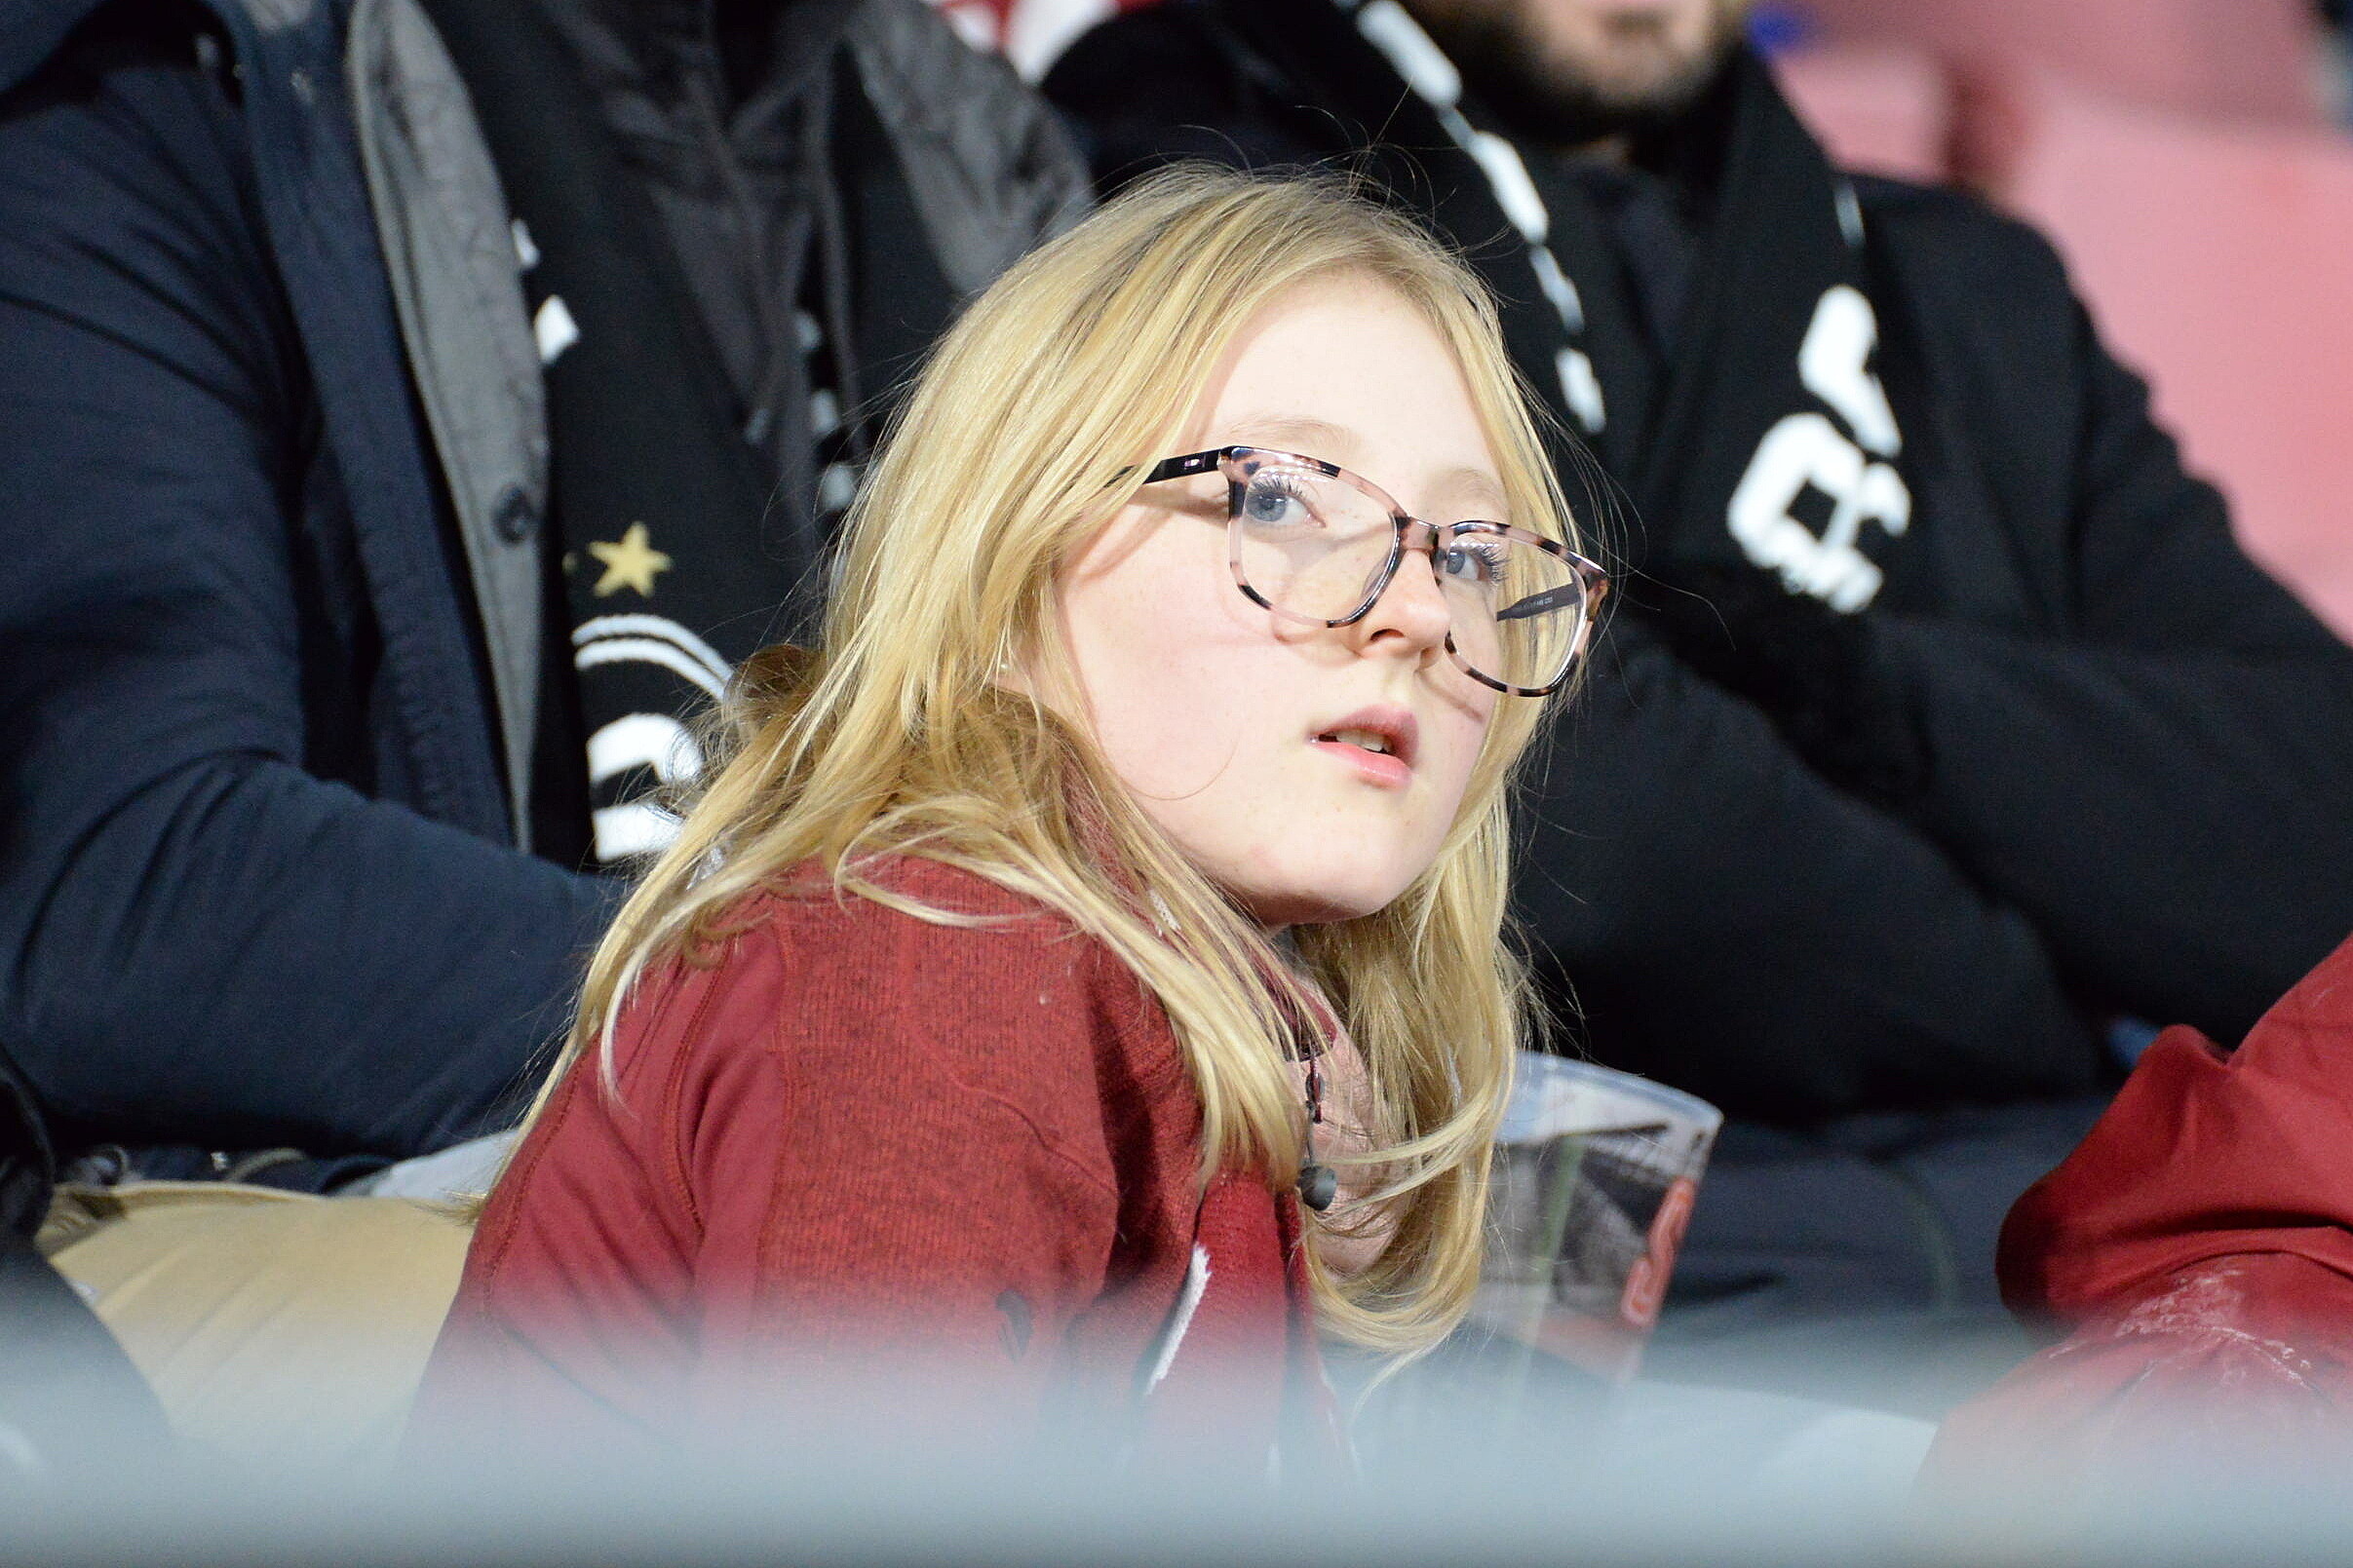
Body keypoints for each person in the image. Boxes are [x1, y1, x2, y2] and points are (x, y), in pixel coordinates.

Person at [1043, 0, 2353, 1364]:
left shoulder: (1964, 293)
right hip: (1518, 1258)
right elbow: (1574, 802)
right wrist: (2048, 986)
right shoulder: (1216, 187)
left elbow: (2316, 845)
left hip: (2056, 1245)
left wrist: (1836, 680)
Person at [405, 167, 1606, 1464]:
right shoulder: (929, 957)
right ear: (1007, 565)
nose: (1420, 612)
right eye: (1275, 496)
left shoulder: (1172, 1012)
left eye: (1471, 555)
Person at [0, 0, 1083, 1188]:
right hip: (347, 1193)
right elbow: (121, 889)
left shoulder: (961, 139)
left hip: (927, 1129)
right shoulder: (182, 90)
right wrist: (840, 1019)